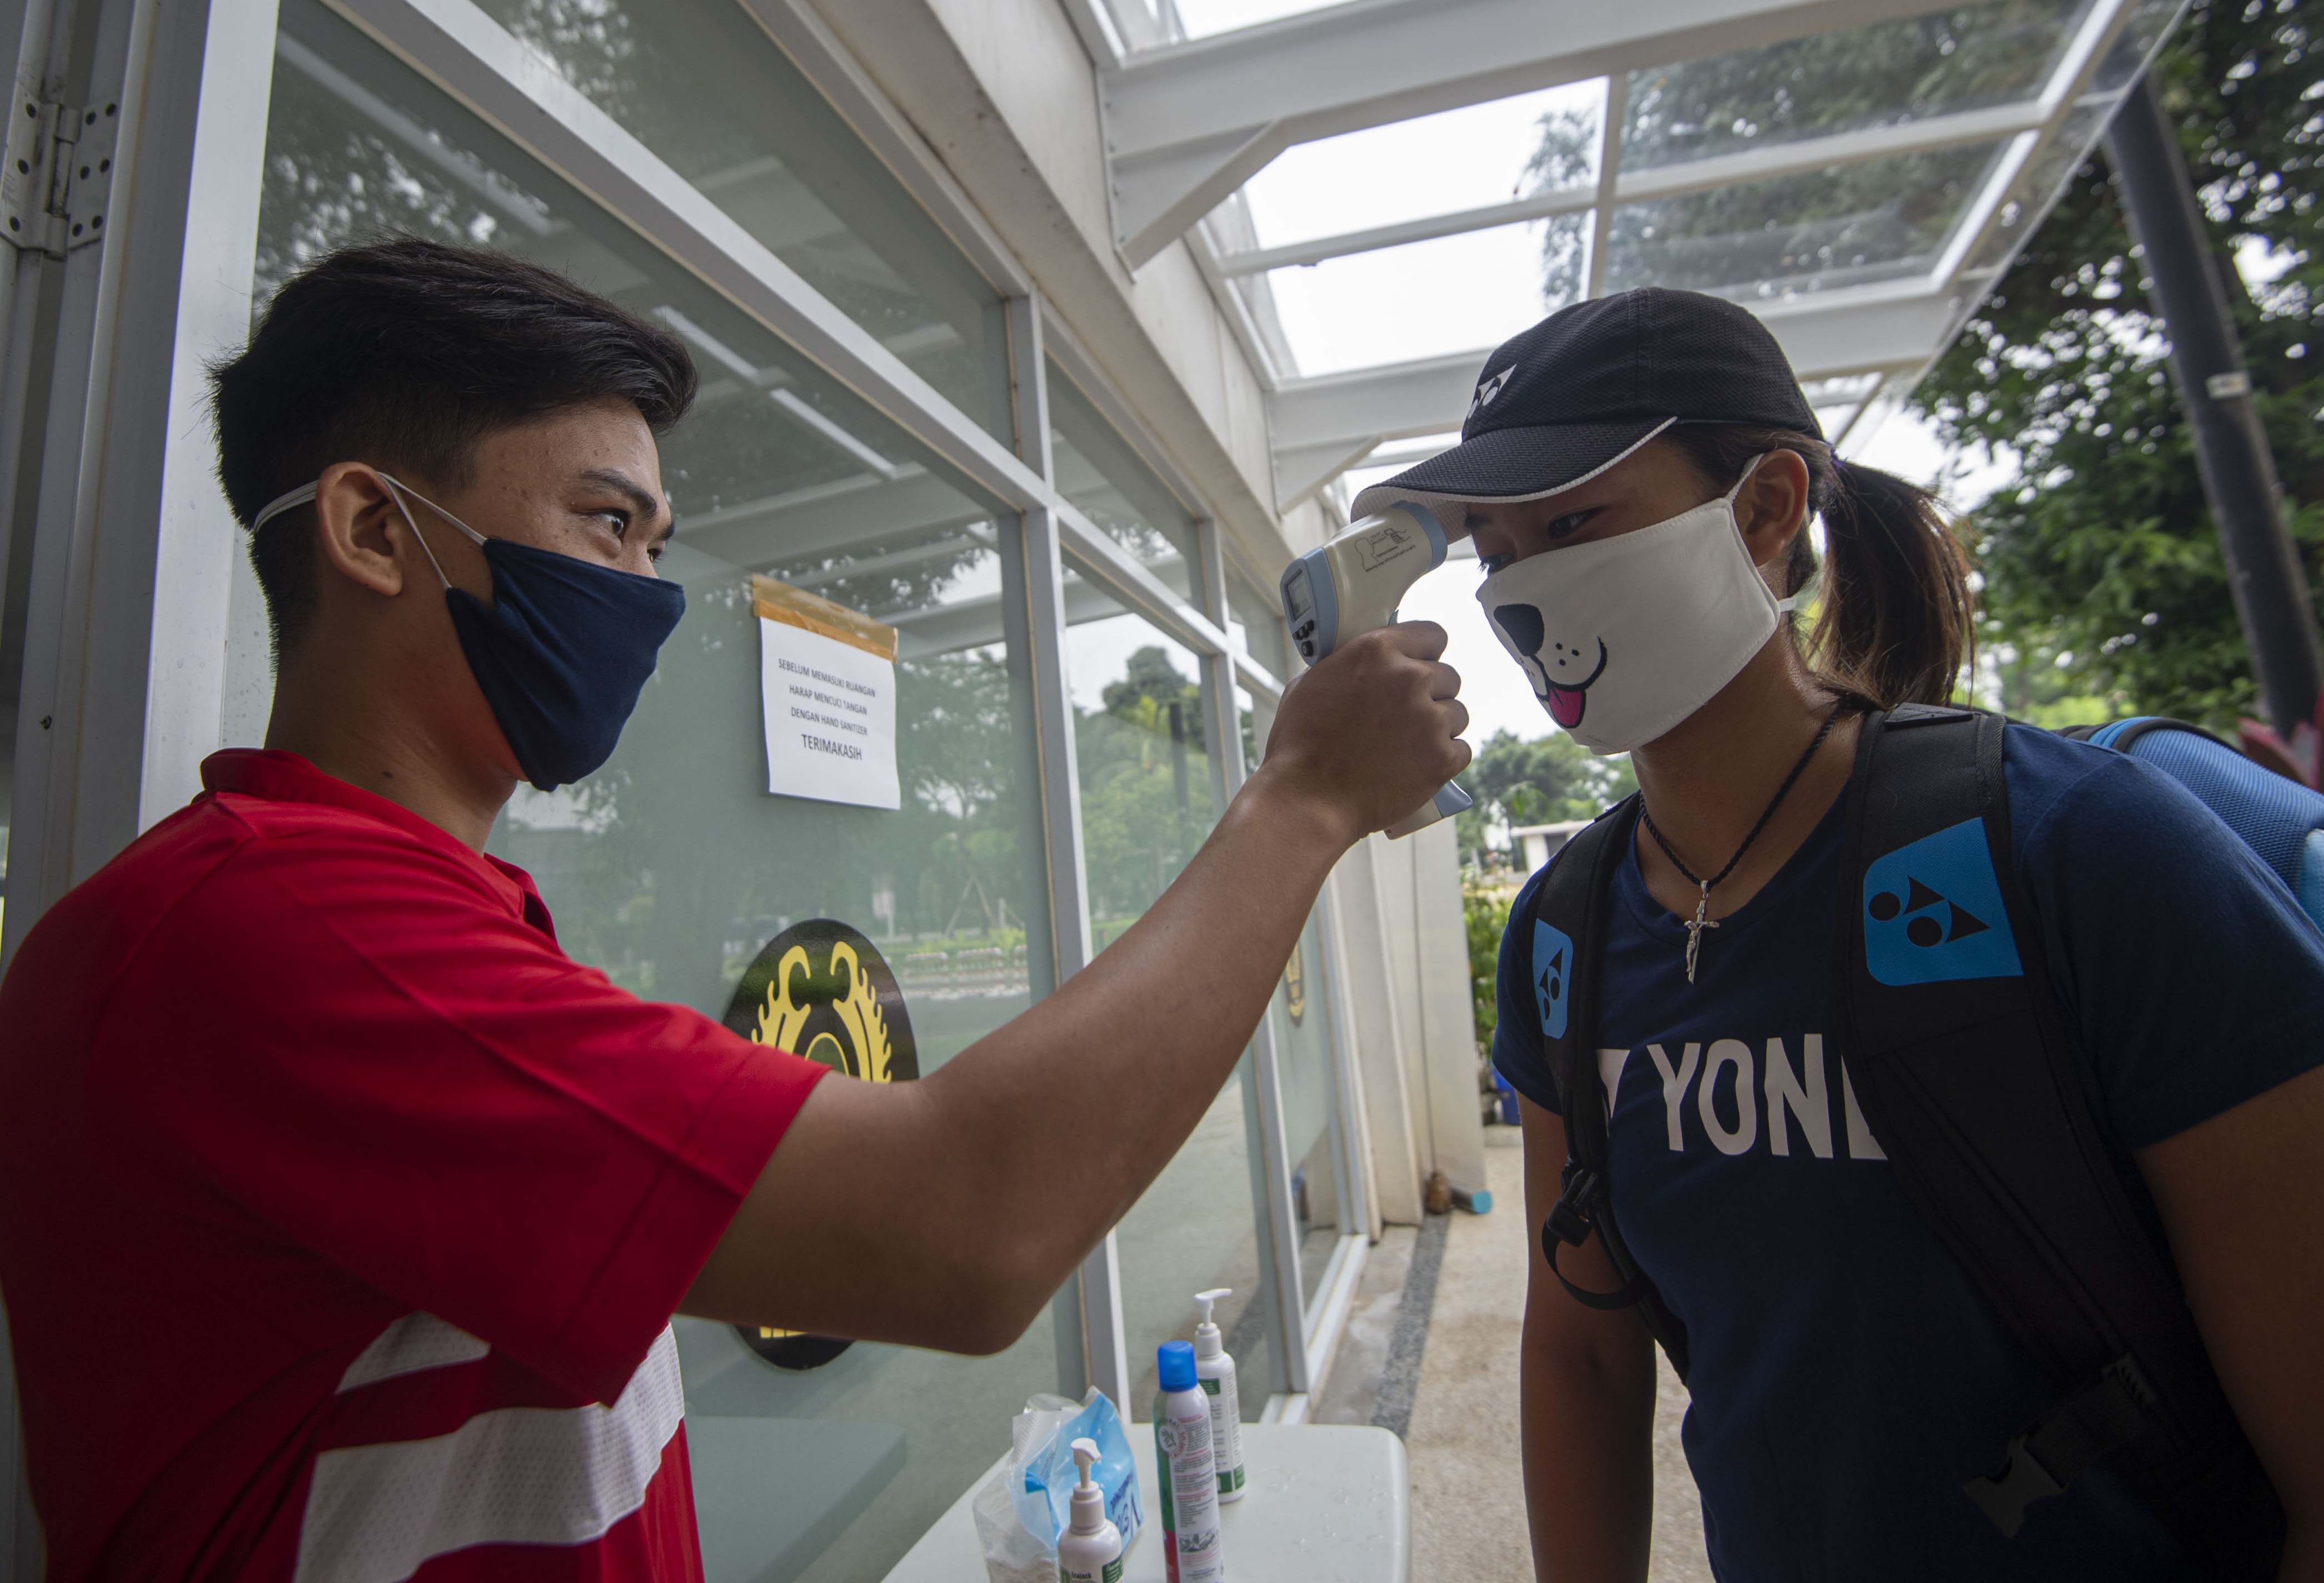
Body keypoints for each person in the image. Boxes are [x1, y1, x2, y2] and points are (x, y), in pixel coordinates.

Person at [0, 238, 1469, 1579]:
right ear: (376, 532)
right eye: (606, 523)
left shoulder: (422, 918)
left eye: (656, 541)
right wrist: (1305, 802)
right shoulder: (277, 933)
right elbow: (964, 1226)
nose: (649, 590)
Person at [1349, 288, 2324, 1581]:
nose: (1519, 591)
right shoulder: (1564, 937)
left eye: (1569, 521)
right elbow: (1585, 1338)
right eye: (1494, 550)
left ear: (1767, 506)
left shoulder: (2081, 851)